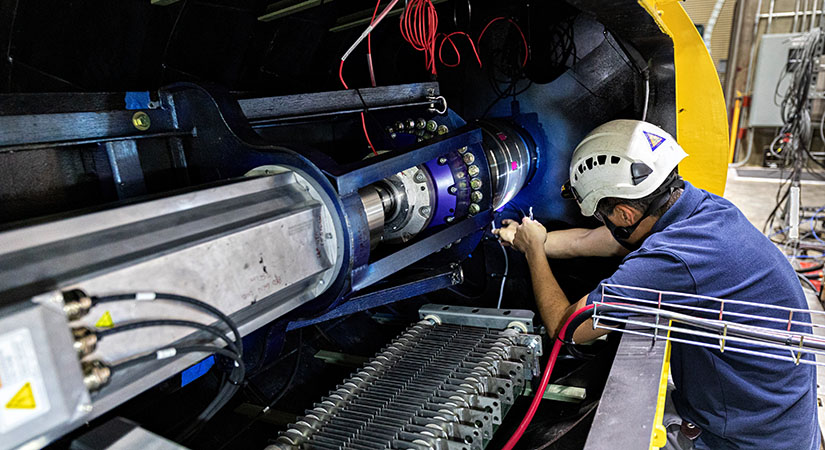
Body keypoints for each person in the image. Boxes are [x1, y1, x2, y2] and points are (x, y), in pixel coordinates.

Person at [493, 120, 819, 450]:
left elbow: (567, 327)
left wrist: (534, 253)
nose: (604, 224)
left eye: (604, 215)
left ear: (624, 214)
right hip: (773, 417)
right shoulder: (701, 209)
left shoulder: (674, 260)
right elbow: (592, 241)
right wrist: (529, 238)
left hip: (747, 441)